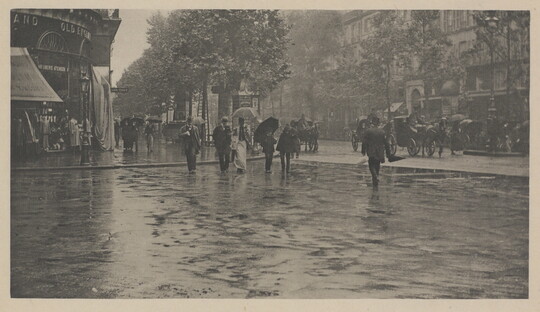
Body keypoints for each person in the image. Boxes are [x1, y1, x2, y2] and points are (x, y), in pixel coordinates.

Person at [361, 116, 391, 188]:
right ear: (378, 123)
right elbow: (386, 143)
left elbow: (364, 142)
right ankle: (376, 177)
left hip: (371, 151)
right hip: (380, 152)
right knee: (377, 165)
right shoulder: (382, 132)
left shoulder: (368, 131)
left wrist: (363, 151)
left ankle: (374, 176)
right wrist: (388, 153)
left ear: (372, 123)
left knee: (371, 165)